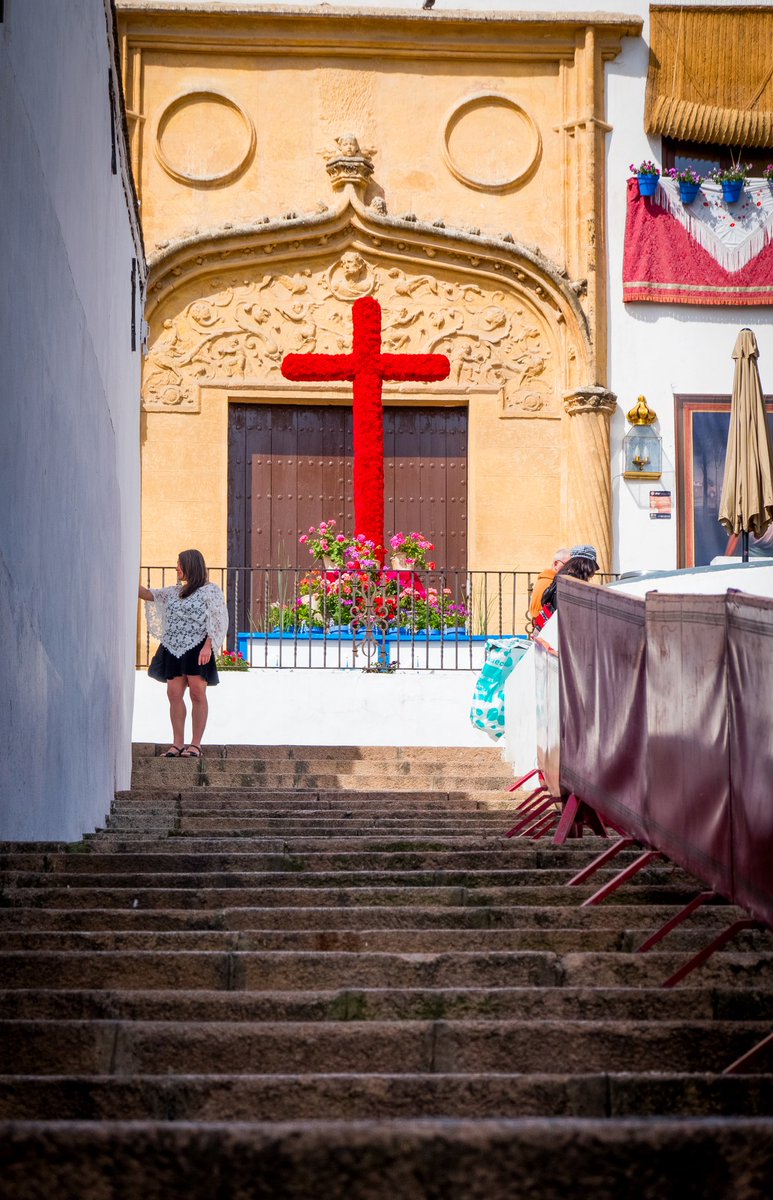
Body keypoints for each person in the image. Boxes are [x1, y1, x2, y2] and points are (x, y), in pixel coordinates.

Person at [138, 549, 228, 758]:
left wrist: (209, 645)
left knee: (197, 693)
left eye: (180, 564)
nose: (176, 567)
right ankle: (177, 743)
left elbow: (218, 619)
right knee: (173, 694)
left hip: (198, 648)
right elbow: (148, 594)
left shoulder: (210, 591)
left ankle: (195, 745)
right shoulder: (173, 592)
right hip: (173, 648)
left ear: (191, 565)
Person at [539, 544, 599, 615]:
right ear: (586, 566)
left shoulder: (562, 578)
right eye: (593, 568)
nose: (593, 572)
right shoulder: (573, 584)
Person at [528, 547, 570, 620]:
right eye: (566, 565)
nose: (569, 569)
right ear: (556, 564)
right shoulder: (551, 581)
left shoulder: (545, 578)